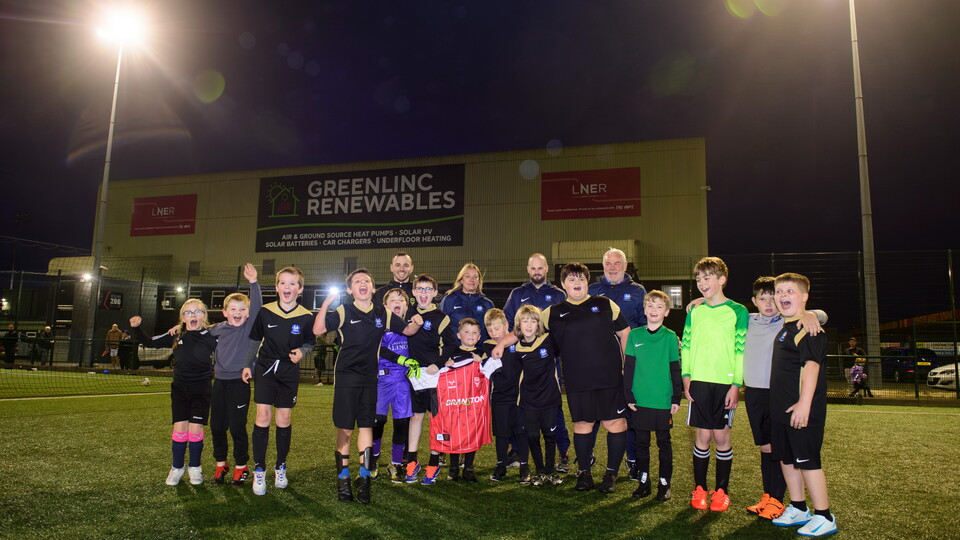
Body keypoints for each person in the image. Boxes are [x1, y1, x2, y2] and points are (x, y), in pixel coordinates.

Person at [495, 262, 631, 494]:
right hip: (577, 381)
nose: (576, 283)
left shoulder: (605, 303)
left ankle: (611, 474)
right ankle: (585, 475)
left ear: (588, 282)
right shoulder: (553, 313)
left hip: (609, 378)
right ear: (563, 284)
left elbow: (624, 332)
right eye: (571, 279)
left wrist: (626, 368)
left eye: (581, 279)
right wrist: (501, 344)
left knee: (614, 424)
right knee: (583, 425)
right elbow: (525, 330)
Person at [314, 269, 421, 504]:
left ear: (373, 289)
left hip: (369, 379)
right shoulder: (343, 311)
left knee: (366, 427)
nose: (362, 284)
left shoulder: (382, 312)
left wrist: (417, 321)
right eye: (357, 281)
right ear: (350, 290)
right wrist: (325, 305)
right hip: (345, 378)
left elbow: (407, 330)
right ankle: (343, 480)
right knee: (345, 429)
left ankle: (364, 481)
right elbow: (318, 330)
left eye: (367, 281)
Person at [738, 277, 827, 519]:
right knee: (770, 448)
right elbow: (723, 309)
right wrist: (699, 301)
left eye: (774, 296)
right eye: (764, 297)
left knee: (791, 453)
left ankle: (784, 501)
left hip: (786, 396)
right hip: (757, 392)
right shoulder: (747, 320)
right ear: (754, 301)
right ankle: (772, 497)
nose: (769, 302)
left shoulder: (789, 323)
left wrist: (813, 315)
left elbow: (816, 317)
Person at [769, 273, 839, 537]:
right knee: (787, 460)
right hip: (782, 410)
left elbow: (812, 366)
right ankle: (799, 507)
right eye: (779, 291)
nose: (783, 296)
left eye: (790, 291)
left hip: (802, 411)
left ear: (804, 297)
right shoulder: (787, 326)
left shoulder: (809, 329)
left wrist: (804, 403)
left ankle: (825, 515)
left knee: (808, 461)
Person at [682, 256, 748, 512]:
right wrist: (686, 376)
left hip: (724, 384)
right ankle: (700, 490)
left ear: (722, 280)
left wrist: (735, 384)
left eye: (707, 277)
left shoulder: (738, 311)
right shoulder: (695, 311)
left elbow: (740, 350)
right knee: (702, 436)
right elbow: (686, 345)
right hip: (698, 381)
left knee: (721, 436)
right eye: (698, 278)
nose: (701, 282)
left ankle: (721, 492)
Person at [130, 299, 218, 486]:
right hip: (180, 389)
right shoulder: (176, 335)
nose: (193, 315)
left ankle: (195, 468)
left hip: (201, 389)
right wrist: (137, 328)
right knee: (179, 430)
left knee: (195, 429)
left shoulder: (212, 335)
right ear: (182, 318)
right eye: (188, 313)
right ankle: (177, 468)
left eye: (197, 312)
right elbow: (149, 342)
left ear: (204, 316)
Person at [245, 266, 315, 496]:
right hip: (265, 368)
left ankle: (280, 466)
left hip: (288, 371)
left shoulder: (306, 316)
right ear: (276, 287)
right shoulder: (265, 311)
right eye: (283, 283)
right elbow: (255, 340)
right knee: (262, 416)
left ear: (300, 289)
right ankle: (259, 469)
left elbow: (310, 343)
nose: (287, 287)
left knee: (283, 419)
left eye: (292, 283)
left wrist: (302, 353)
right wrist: (248, 364)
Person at [502, 253, 571, 472]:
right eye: (533, 269)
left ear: (547, 269)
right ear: (528, 269)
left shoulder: (558, 294)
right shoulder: (517, 293)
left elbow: (565, 326)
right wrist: (503, 345)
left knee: (555, 408)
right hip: (522, 359)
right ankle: (516, 449)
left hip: (550, 359)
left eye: (540, 268)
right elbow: (509, 323)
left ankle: (563, 452)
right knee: (521, 404)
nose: (537, 272)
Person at [588, 247, 648, 479]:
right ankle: (587, 457)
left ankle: (632, 459)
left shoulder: (637, 290)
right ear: (603, 266)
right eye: (608, 263)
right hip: (595, 361)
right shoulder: (592, 290)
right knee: (591, 411)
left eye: (617, 263)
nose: (612, 267)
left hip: (627, 360)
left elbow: (644, 324)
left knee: (629, 411)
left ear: (625, 266)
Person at [623, 290, 682, 501]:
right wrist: (628, 395)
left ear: (666, 312)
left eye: (659, 307)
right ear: (644, 309)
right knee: (641, 444)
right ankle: (643, 482)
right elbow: (628, 368)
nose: (654, 310)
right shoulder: (635, 335)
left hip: (662, 401)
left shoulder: (670, 337)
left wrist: (676, 397)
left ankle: (664, 484)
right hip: (640, 401)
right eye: (650, 306)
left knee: (664, 443)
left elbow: (675, 368)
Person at [209, 263, 261, 487]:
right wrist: (178, 327)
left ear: (247, 313)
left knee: (237, 426)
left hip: (239, 382)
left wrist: (253, 283)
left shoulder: (249, 327)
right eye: (233, 309)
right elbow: (198, 332)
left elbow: (258, 307)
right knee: (217, 426)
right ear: (224, 312)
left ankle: (241, 466)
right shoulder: (218, 329)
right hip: (219, 383)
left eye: (242, 310)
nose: (238, 313)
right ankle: (221, 463)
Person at [403, 274, 458, 485]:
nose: (424, 293)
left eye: (428, 289)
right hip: (414, 375)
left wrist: (439, 362)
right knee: (416, 417)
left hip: (434, 376)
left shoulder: (441, 317)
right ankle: (412, 461)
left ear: (435, 293)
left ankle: (433, 462)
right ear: (414, 292)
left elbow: (451, 344)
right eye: (420, 289)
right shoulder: (408, 313)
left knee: (437, 420)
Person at [512, 305, 563, 487]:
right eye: (525, 320)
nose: (529, 325)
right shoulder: (516, 349)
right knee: (533, 436)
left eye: (533, 321)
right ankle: (539, 471)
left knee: (550, 436)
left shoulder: (548, 340)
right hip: (529, 401)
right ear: (519, 324)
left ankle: (551, 471)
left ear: (539, 324)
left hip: (549, 399)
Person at [372, 288, 416, 484]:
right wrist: (400, 359)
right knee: (378, 422)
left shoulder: (410, 327)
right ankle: (372, 459)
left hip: (402, 382)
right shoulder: (379, 326)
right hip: (382, 380)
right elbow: (379, 350)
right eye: (392, 300)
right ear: (386, 306)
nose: (397, 302)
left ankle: (395, 464)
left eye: (401, 300)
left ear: (406, 306)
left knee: (401, 424)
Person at [482, 309, 528, 482]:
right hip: (499, 397)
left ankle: (525, 467)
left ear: (507, 325)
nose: (494, 334)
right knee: (501, 434)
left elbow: (522, 331)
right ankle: (501, 466)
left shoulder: (519, 342)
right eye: (490, 330)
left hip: (519, 396)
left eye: (497, 328)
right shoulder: (487, 346)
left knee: (521, 432)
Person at [440, 263, 495, 342]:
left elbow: (493, 331)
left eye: (475, 277)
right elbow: (441, 327)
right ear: (461, 280)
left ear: (479, 280)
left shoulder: (487, 304)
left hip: (480, 351)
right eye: (467, 276)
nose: (471, 279)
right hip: (454, 351)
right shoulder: (449, 300)